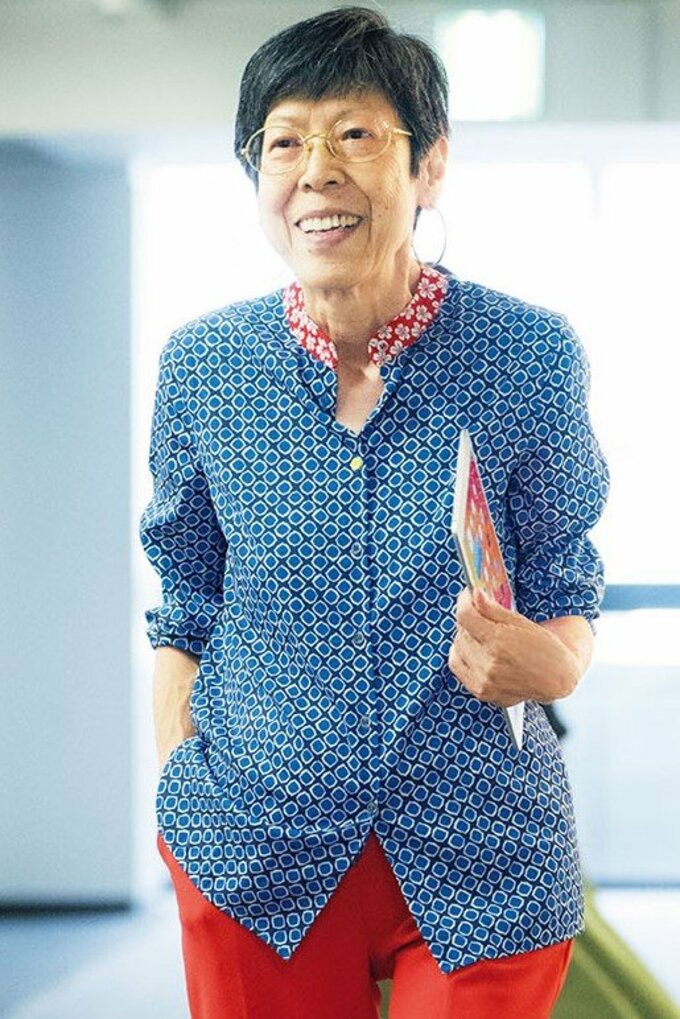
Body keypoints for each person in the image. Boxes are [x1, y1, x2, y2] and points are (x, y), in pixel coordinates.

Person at [139, 7, 610, 1017]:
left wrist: (556, 659)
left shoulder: (526, 355)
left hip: (485, 849)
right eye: (283, 142)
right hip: (253, 849)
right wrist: (180, 774)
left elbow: (566, 578)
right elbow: (185, 597)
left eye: (354, 134)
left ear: (428, 163)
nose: (315, 171)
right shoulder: (204, 367)